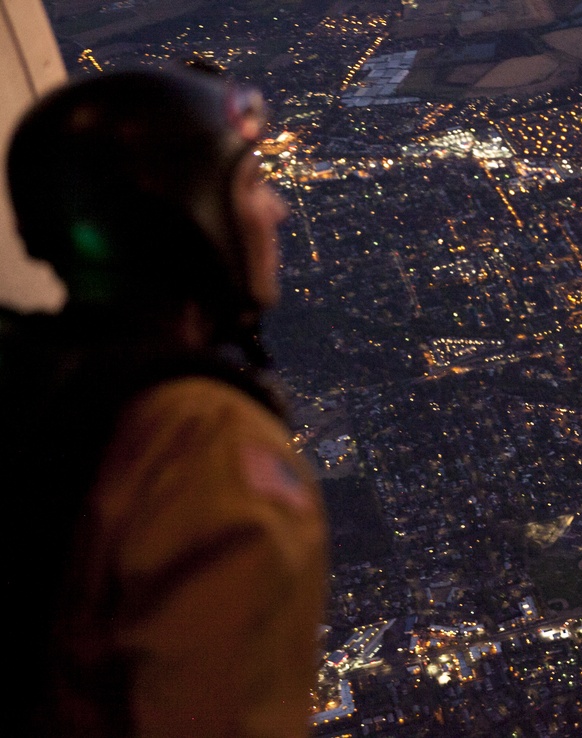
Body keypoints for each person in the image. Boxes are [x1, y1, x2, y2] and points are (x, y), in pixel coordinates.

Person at [2, 66, 327, 737]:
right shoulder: (204, 445)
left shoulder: (37, 382)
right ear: (189, 224)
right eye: (251, 184)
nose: (277, 210)